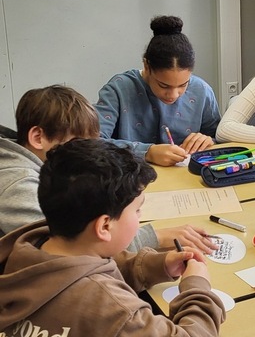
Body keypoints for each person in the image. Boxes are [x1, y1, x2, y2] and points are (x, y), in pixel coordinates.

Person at [0, 138, 226, 336]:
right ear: (104, 226)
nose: (141, 216)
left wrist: (156, 265)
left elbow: (75, 273)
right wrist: (196, 288)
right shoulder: (117, 312)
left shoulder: (28, 248)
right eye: (137, 210)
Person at [0, 85, 217, 253]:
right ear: (38, 137)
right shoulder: (18, 183)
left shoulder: (44, 166)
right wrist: (156, 237)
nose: (87, 156)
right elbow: (67, 250)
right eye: (78, 144)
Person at [96, 15, 221, 166]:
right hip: (130, 182)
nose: (174, 95)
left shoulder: (202, 90)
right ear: (147, 66)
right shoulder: (119, 89)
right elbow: (92, 143)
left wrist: (209, 140)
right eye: (164, 85)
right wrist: (146, 152)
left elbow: (219, 137)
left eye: (183, 85)